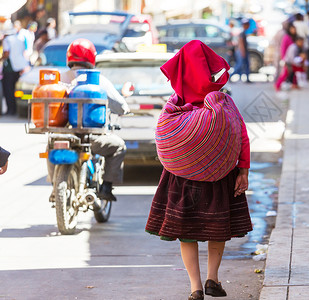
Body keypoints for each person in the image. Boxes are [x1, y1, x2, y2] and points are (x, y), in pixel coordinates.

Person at [145, 40, 252, 300]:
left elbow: (163, 138)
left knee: (186, 233)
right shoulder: (224, 103)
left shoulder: (173, 107)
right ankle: (212, 279)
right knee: (217, 229)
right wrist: (243, 170)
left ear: (180, 71)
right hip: (220, 176)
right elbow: (242, 135)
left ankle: (195, 287)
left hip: (181, 179)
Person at [47, 38, 130, 201]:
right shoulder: (98, 81)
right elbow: (120, 106)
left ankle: (54, 188)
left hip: (62, 135)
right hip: (92, 138)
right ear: (92, 57)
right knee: (119, 146)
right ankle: (106, 187)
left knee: (51, 145)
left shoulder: (58, 79)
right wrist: (125, 110)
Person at [1, 21, 30, 115]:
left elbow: (6, 53)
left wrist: (1, 59)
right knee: (15, 88)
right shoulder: (20, 39)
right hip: (19, 66)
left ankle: (11, 109)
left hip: (10, 68)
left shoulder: (7, 40)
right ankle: (15, 109)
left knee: (8, 89)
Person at [230, 19, 251, 83]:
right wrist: (243, 52)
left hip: (242, 51)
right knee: (239, 65)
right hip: (241, 51)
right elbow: (241, 43)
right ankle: (230, 76)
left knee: (246, 65)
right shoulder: (242, 33)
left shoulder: (243, 32)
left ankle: (246, 78)